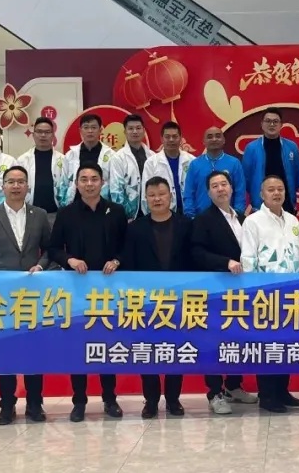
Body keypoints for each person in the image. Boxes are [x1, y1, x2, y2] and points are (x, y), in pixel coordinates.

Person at [48, 162, 127, 421]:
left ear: (103, 182)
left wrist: (117, 260)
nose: (89, 183)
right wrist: (69, 260)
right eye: (84, 179)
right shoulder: (66, 214)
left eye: (94, 179)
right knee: (79, 345)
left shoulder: (116, 212)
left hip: (109, 290)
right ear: (76, 184)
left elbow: (127, 246)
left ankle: (110, 399)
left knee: (107, 344)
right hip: (77, 289)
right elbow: (53, 249)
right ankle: (79, 401)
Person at [0, 166, 52, 425]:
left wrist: (40, 265)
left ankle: (35, 403)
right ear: (3, 186)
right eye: (11, 182)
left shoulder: (39, 215)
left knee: (35, 351)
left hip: (33, 294)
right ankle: (7, 405)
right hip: (1, 297)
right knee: (5, 352)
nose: (16, 186)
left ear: (28, 186)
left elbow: (50, 249)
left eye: (21, 182)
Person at [190, 171, 260, 414]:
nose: (220, 189)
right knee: (213, 342)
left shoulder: (242, 217)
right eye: (215, 186)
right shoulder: (203, 220)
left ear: (231, 188)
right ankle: (214, 392)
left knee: (238, 339)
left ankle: (233, 386)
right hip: (216, 290)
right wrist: (225, 262)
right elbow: (196, 253)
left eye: (224, 184)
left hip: (241, 291)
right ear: (208, 192)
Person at [124, 177, 192, 419]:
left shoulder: (185, 225)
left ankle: (173, 399)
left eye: (161, 194)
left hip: (179, 299)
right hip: (146, 301)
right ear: (146, 198)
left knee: (176, 349)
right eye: (152, 195)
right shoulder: (136, 228)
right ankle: (150, 400)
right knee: (147, 351)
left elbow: (194, 261)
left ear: (170, 195)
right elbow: (129, 263)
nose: (157, 199)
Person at [241, 175, 299, 413]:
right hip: (264, 294)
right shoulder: (253, 222)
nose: (276, 193)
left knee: (286, 344)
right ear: (261, 194)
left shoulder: (293, 221)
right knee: (267, 345)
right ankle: (267, 395)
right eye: (271, 189)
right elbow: (248, 258)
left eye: (280, 189)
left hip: (291, 293)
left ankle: (282, 391)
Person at [242, 108, 299, 215]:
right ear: (262, 124)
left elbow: (297, 176)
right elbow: (246, 178)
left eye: (275, 121)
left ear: (281, 125)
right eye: (268, 121)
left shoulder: (292, 147)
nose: (272, 124)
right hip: (260, 204)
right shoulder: (251, 148)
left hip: (287, 203)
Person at [183, 126, 246, 217]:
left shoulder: (234, 163)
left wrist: (238, 213)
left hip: (229, 216)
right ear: (203, 141)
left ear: (224, 140)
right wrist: (190, 215)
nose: (214, 139)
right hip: (201, 217)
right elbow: (189, 192)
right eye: (210, 137)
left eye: (218, 136)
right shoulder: (195, 164)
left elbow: (240, 191)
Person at [141, 121, 195, 216]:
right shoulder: (151, 163)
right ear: (162, 139)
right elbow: (146, 194)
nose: (171, 140)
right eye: (167, 137)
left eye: (175, 136)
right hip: (162, 214)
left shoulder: (191, 161)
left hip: (189, 212)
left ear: (180, 138)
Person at [59, 114, 115, 205]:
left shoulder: (111, 155)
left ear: (100, 130)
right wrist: (63, 205)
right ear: (80, 131)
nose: (90, 131)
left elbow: (114, 184)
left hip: (102, 204)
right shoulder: (70, 155)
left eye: (93, 127)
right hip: (75, 203)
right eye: (86, 127)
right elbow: (64, 182)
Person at [15, 116, 63, 222]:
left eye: (47, 132)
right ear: (33, 134)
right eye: (39, 132)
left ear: (53, 135)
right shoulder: (22, 160)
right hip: (29, 214)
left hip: (56, 214)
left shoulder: (63, 160)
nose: (43, 135)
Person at [110, 113, 152, 218]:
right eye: (130, 128)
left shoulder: (152, 156)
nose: (135, 131)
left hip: (151, 211)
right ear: (125, 132)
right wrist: (125, 215)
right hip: (129, 215)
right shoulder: (118, 158)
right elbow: (116, 189)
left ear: (144, 130)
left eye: (138, 128)